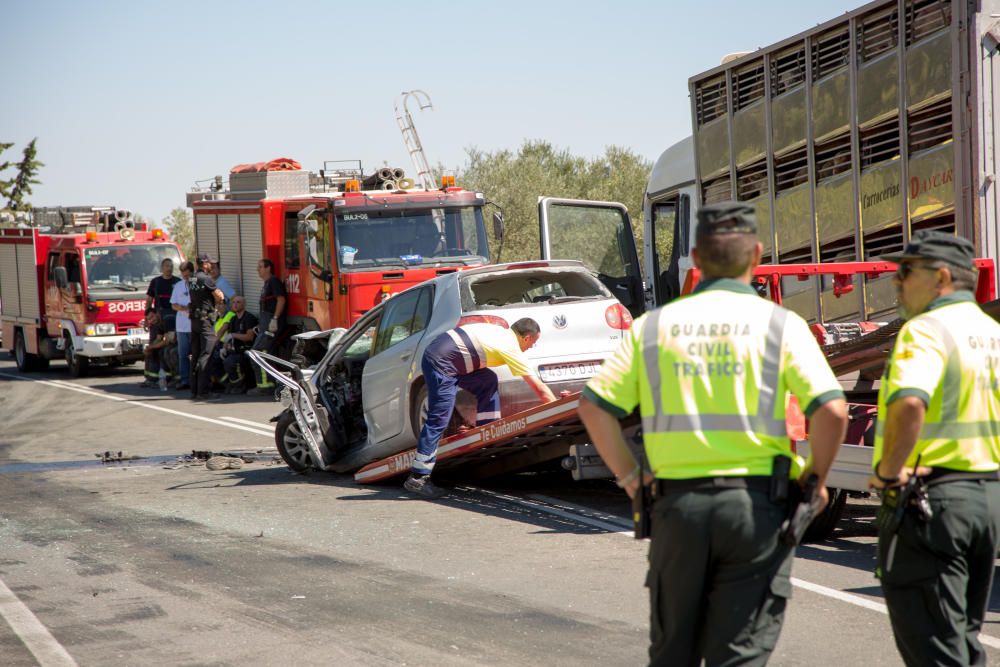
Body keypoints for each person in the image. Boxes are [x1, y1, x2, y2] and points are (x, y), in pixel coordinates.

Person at [578, 201, 848, 666]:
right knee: (739, 656)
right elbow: (832, 411)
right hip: (756, 511)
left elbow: (594, 407)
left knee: (673, 654)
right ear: (757, 256)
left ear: (696, 259)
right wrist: (817, 481)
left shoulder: (653, 327)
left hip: (677, 510)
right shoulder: (781, 325)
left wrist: (630, 479)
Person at [869, 231, 1000, 666]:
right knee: (961, 639)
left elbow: (909, 402)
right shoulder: (991, 331)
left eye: (906, 272)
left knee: (935, 650)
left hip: (934, 503)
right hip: (987, 501)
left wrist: (889, 471)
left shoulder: (925, 329)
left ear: (941, 277)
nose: (898, 283)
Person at [404, 317, 562, 499]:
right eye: (533, 342)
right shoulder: (509, 346)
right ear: (526, 338)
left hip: (449, 357)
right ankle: (418, 477)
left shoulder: (499, 332)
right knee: (438, 419)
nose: (531, 347)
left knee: (487, 380)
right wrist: (556, 411)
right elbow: (539, 389)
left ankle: (486, 432)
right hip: (441, 363)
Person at [248, 258, 287, 396]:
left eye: (260, 267)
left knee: (258, 353)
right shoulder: (266, 284)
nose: (257, 270)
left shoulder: (274, 282)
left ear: (268, 268)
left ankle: (264, 386)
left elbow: (281, 300)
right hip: (266, 324)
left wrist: (275, 319)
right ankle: (270, 384)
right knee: (266, 354)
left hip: (272, 324)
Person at [189, 253, 225, 400]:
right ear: (204, 264)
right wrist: (219, 301)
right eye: (210, 263)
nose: (211, 266)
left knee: (196, 355)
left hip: (195, 321)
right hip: (205, 322)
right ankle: (203, 391)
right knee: (206, 355)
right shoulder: (206, 278)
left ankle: (194, 390)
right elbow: (220, 296)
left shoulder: (191, 278)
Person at [215, 295, 258, 394]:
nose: (235, 304)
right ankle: (227, 383)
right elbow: (229, 338)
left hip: (246, 350)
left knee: (230, 361)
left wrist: (233, 335)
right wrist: (224, 348)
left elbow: (249, 337)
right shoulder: (233, 319)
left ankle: (240, 385)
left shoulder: (249, 318)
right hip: (234, 350)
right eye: (233, 302)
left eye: (238, 302)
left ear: (244, 304)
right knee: (215, 358)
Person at [170, 261, 194, 390]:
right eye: (183, 273)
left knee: (196, 354)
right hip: (181, 326)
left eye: (187, 273)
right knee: (183, 354)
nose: (185, 276)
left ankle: (196, 379)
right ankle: (185, 380)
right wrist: (182, 308)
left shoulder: (197, 284)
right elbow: (173, 304)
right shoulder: (178, 286)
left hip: (194, 325)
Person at [139, 308, 178, 388]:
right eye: (149, 319)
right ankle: (152, 379)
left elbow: (167, 341)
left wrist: (152, 347)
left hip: (178, 342)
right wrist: (149, 348)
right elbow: (158, 338)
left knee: (167, 351)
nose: (151, 320)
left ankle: (172, 378)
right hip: (171, 342)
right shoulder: (158, 324)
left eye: (152, 317)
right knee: (154, 351)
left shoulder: (167, 319)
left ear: (157, 313)